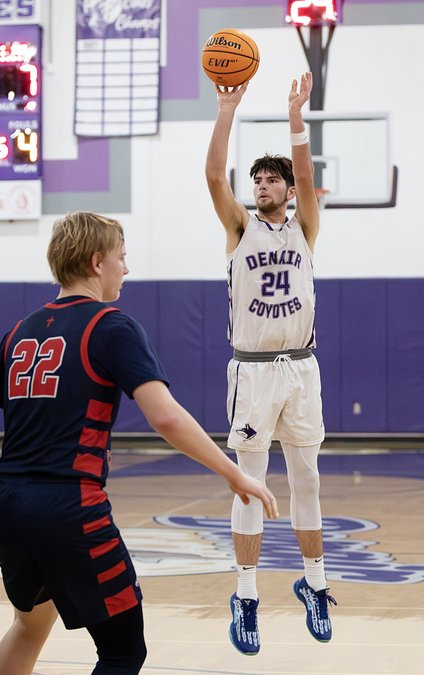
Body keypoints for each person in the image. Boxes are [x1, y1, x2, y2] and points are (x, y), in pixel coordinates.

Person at [0, 211, 279, 674]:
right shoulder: (112, 326)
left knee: (29, 628)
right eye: (121, 257)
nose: (126, 269)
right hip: (70, 508)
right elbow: (165, 416)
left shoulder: (18, 332)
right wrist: (234, 473)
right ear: (96, 262)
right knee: (123, 652)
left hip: (10, 505)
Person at [205, 71, 336, 656]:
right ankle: (246, 596)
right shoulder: (240, 227)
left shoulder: (306, 226)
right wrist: (226, 110)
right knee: (250, 485)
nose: (262, 185)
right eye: (257, 179)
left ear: (287, 190)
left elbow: (306, 174)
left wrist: (295, 115)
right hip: (254, 371)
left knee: (307, 479)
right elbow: (214, 177)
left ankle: (315, 585)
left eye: (271, 179)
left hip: (301, 368)